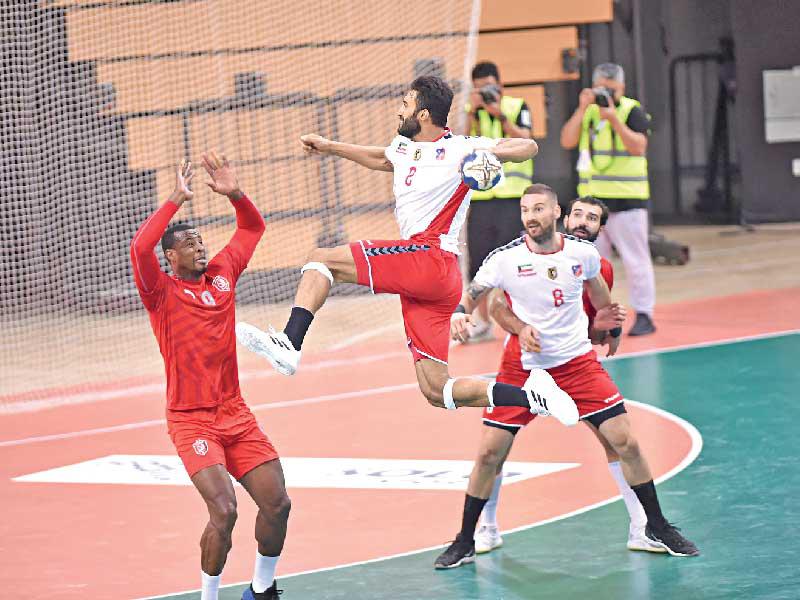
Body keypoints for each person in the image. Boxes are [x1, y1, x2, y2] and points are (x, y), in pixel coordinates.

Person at [235, 75, 577, 425]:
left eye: (405, 104)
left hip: (429, 255)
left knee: (322, 259)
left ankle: (290, 343)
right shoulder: (402, 147)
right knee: (437, 390)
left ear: (423, 114)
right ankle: (533, 396)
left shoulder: (460, 148)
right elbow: (382, 158)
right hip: (434, 279)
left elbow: (527, 147)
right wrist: (329, 146)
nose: (399, 111)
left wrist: (488, 153)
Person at [434, 185, 698, 569]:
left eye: (538, 209)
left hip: (577, 365)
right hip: (523, 369)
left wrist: (612, 326)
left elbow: (601, 296)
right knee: (490, 452)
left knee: (625, 441)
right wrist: (461, 312)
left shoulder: (583, 255)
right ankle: (466, 540)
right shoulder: (505, 259)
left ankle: (656, 527)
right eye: (525, 210)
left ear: (556, 212)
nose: (530, 216)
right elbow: (475, 295)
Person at [130, 154, 289, 600]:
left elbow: (252, 228)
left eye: (202, 241)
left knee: (278, 504)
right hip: (191, 420)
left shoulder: (222, 275)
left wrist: (236, 194)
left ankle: (262, 590)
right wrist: (175, 200)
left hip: (235, 414)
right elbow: (139, 249)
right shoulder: (160, 292)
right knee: (224, 510)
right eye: (190, 243)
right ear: (171, 256)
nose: (201, 247)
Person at [560, 62, 657, 336]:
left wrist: (614, 119)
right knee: (592, 264)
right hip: (593, 204)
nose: (606, 94)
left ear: (622, 88)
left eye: (611, 89)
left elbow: (639, 147)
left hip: (628, 201)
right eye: (601, 88)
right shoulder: (588, 112)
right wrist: (581, 108)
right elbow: (567, 140)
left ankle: (644, 314)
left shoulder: (631, 110)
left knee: (635, 260)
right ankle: (593, 316)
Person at [462, 61, 535, 339]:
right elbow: (461, 144)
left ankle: (520, 319)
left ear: (500, 85)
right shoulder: (472, 112)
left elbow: (526, 141)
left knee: (514, 264)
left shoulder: (516, 107)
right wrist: (473, 112)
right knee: (478, 264)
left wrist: (500, 116)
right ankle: (482, 322)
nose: (486, 93)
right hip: (481, 198)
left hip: (512, 198)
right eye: (480, 88)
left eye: (490, 87)